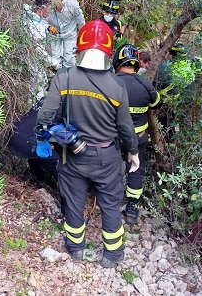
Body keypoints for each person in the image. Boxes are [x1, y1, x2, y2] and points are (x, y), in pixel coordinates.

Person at [35, 19, 139, 268]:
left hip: (72, 154)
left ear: (79, 46)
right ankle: (112, 255)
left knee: (73, 202)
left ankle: (75, 249)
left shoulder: (65, 77)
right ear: (108, 50)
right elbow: (125, 128)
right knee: (110, 205)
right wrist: (133, 151)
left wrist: (42, 138)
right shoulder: (117, 86)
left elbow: (45, 116)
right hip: (106, 156)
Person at [113, 44, 161, 225]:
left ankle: (107, 201)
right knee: (135, 169)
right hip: (138, 137)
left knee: (109, 167)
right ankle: (132, 208)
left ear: (117, 60)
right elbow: (156, 103)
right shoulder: (145, 85)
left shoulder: (110, 82)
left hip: (113, 137)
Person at [22, 0, 58, 101]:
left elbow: (42, 22)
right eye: (49, 9)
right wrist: (53, 63)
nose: (50, 12)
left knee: (41, 81)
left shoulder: (36, 18)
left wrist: (48, 27)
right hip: (32, 59)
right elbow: (37, 48)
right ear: (41, 9)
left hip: (35, 60)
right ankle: (35, 111)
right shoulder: (33, 25)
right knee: (37, 87)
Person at [48, 0, 86, 68]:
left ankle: (69, 73)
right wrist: (49, 27)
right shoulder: (48, 6)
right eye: (56, 9)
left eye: (59, 8)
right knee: (55, 56)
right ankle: (57, 73)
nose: (58, 10)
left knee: (69, 56)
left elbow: (80, 19)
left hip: (69, 33)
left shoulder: (72, 3)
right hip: (54, 33)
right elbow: (43, 20)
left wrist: (83, 33)